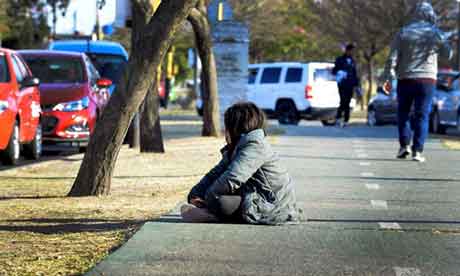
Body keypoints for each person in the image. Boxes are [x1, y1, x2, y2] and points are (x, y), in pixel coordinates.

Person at [181, 102, 299, 225]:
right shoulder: (238, 147)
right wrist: (194, 195)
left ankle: (211, 214)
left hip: (272, 206)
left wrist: (209, 200)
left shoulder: (256, 146)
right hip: (253, 198)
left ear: (235, 127)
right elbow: (215, 174)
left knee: (221, 202)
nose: (224, 131)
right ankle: (210, 213)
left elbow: (232, 177)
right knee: (207, 202)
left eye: (226, 126)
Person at [382, 2, 452, 163]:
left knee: (403, 113)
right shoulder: (435, 33)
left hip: (405, 78)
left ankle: (404, 146)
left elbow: (392, 57)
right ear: (430, 15)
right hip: (427, 80)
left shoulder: (403, 32)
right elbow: (448, 54)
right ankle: (418, 151)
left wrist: (388, 78)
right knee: (422, 115)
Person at [332, 43, 361, 128]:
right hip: (342, 83)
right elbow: (334, 71)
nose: (352, 52)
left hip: (350, 84)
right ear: (347, 50)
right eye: (351, 50)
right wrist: (340, 72)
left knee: (348, 102)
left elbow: (355, 73)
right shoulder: (340, 59)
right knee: (343, 101)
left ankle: (346, 120)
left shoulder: (353, 61)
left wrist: (357, 85)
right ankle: (338, 118)